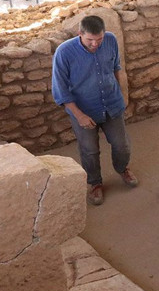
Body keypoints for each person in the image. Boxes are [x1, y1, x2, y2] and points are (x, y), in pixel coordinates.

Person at [52, 15, 138, 205]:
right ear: (79, 34)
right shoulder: (64, 52)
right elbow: (60, 90)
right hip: (84, 110)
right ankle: (95, 183)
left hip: (112, 103)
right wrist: (79, 115)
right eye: (90, 40)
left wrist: (122, 95)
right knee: (89, 150)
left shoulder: (111, 40)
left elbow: (116, 68)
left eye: (99, 39)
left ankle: (122, 168)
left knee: (121, 144)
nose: (95, 44)